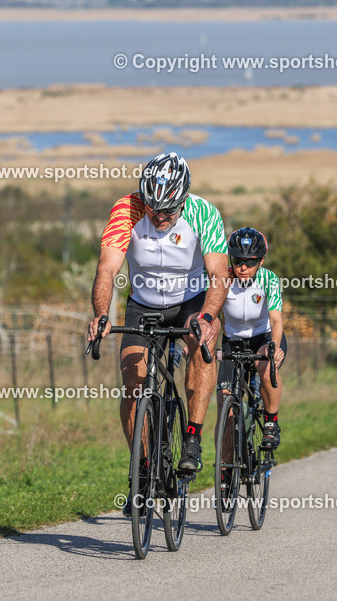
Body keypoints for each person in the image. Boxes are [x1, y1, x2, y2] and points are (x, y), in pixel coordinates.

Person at [86, 152, 230, 514]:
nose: (159, 217)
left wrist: (209, 316)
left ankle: (193, 438)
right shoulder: (127, 210)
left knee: (202, 346)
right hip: (143, 305)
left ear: (183, 200)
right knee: (134, 384)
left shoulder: (204, 213)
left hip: (191, 301)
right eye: (153, 209)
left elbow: (219, 276)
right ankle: (144, 469)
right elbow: (107, 270)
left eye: (168, 210)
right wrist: (102, 315)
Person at [217, 227, 285, 458]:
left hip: (263, 336)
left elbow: (276, 320)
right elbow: (211, 314)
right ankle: (225, 473)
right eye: (237, 261)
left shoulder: (269, 280)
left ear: (261, 261)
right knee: (224, 398)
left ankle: (271, 422)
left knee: (267, 369)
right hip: (232, 338)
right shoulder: (223, 279)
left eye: (250, 262)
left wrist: (273, 346)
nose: (243, 268)